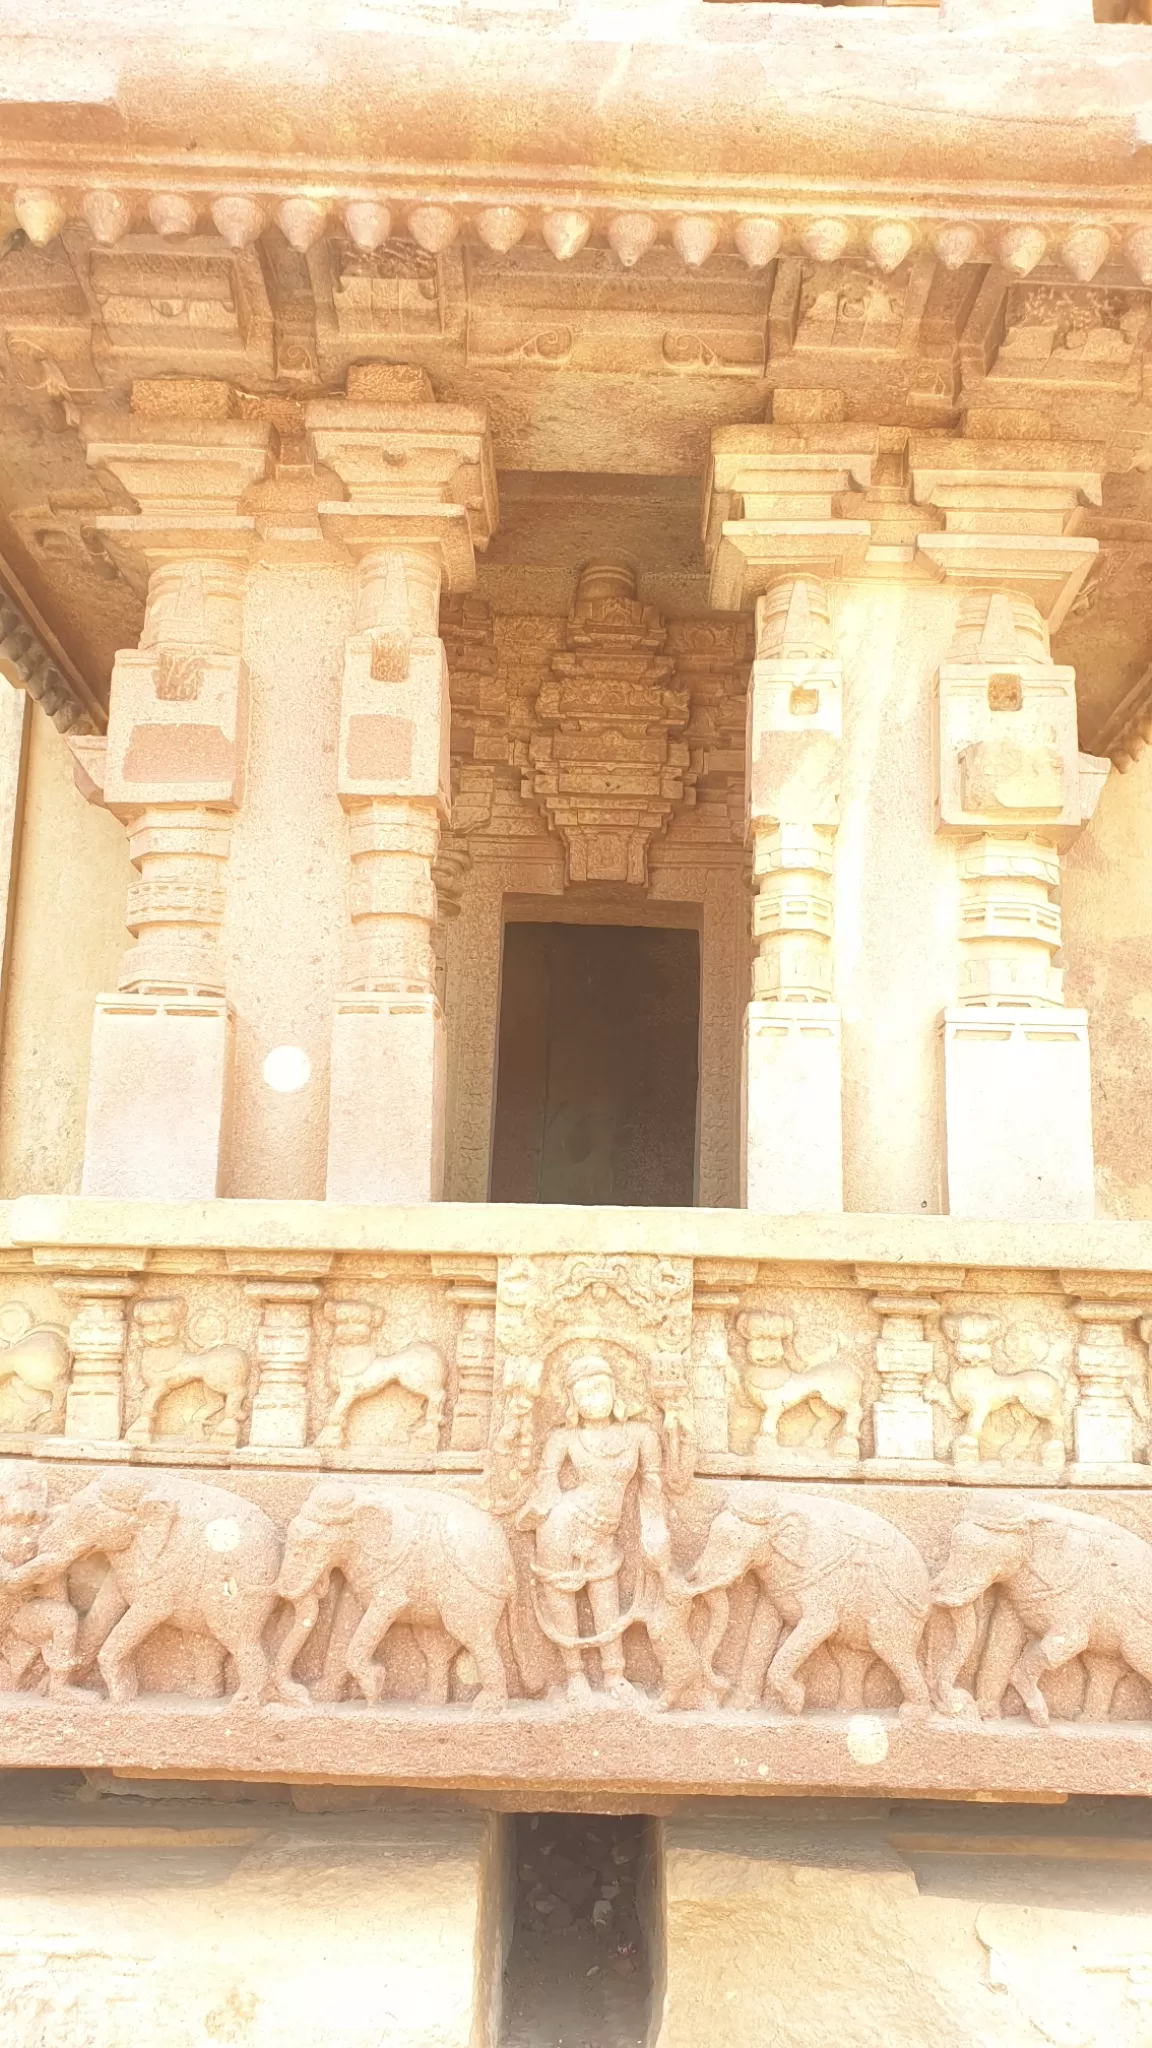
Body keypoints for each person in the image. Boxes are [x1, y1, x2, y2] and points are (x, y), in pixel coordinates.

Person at [515, 1352, 670, 1703]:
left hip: (606, 1528)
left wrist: (655, 1527)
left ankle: (614, 1675)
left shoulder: (640, 1435)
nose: (594, 1399)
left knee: (606, 1597)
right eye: (584, 1394)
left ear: (616, 1391)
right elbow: (547, 1488)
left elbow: (652, 1487)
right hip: (562, 1524)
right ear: (572, 1402)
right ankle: (575, 1677)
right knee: (563, 1595)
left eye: (600, 1389)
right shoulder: (563, 1439)